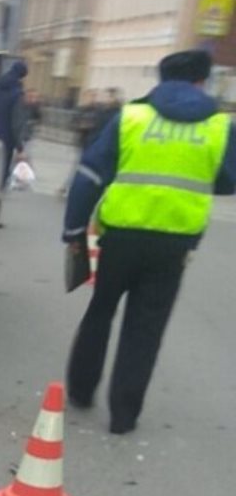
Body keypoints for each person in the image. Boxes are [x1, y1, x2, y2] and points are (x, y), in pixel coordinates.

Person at [62, 50, 236, 434]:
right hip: (174, 244)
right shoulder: (220, 126)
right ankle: (123, 416)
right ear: (201, 81)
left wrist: (74, 229)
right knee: (146, 327)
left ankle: (81, 390)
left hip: (121, 237)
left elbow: (90, 175)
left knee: (101, 310)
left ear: (162, 79)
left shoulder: (131, 117)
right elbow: (228, 180)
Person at [0, 61, 29, 190]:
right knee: (2, 174)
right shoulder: (17, 94)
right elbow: (16, 122)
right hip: (7, 139)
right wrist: (20, 148)